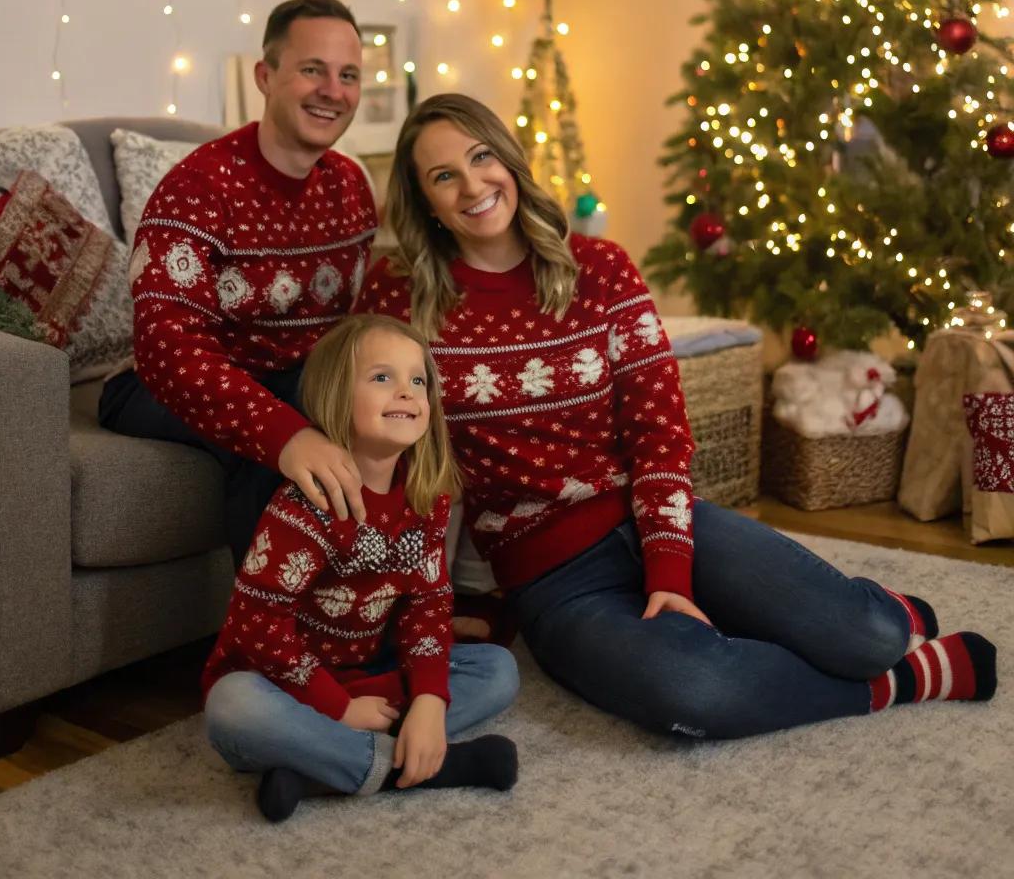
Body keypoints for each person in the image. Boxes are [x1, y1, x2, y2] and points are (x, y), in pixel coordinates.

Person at [354, 93, 998, 741]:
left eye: (481, 157)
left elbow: (658, 431)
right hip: (551, 581)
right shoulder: (401, 298)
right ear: (424, 201)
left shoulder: (599, 270)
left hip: (650, 518)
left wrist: (669, 571)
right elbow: (401, 461)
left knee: (872, 635)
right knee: (696, 690)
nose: (472, 185)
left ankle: (865, 623)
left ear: (509, 160)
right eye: (444, 176)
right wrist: (449, 602)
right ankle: (903, 681)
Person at [204, 313, 520, 822]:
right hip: (284, 687)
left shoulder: (425, 499)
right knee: (231, 707)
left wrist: (429, 704)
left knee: (499, 672)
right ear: (335, 395)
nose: (407, 392)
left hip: (370, 675)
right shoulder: (304, 508)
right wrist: (339, 709)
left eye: (418, 380)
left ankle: (315, 771)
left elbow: (428, 604)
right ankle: (404, 770)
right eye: (382, 377)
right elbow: (256, 630)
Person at [99, 0, 377, 563]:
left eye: (347, 75)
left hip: (295, 374)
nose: (333, 90)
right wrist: (284, 434)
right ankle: (268, 639)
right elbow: (168, 349)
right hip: (159, 382)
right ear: (266, 76)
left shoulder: (350, 187)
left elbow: (360, 319)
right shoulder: (198, 188)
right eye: (311, 70)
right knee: (273, 445)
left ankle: (399, 603)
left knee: (381, 400)